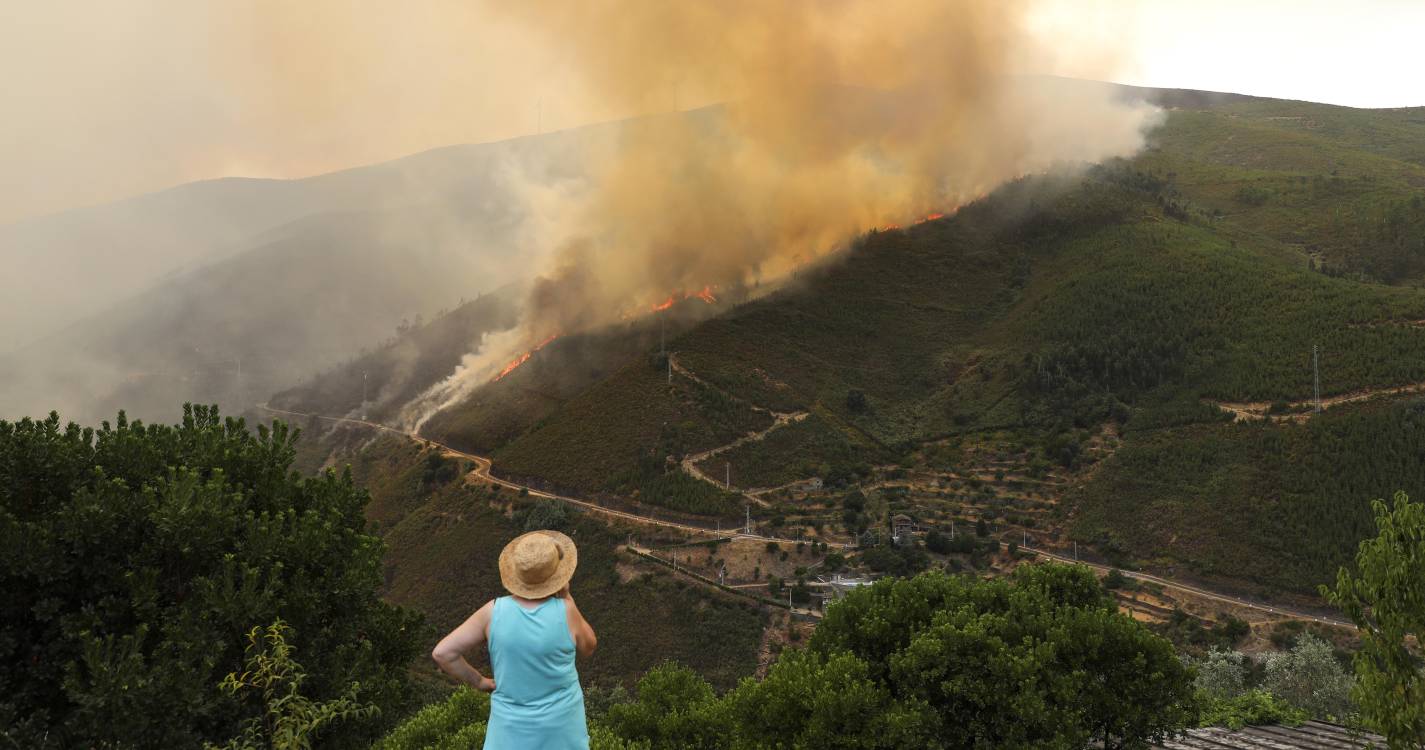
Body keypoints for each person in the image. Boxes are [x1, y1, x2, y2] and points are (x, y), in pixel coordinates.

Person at [432, 529, 597, 749]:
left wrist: (480, 682)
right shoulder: (566, 611)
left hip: (508, 733)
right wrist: (567, 597)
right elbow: (588, 647)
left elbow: (443, 654)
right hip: (562, 731)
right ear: (557, 576)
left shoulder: (492, 612)